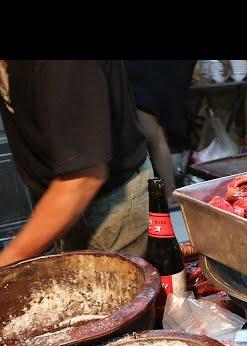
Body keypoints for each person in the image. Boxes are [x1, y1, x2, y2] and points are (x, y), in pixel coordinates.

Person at [0, 60, 152, 267]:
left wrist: (7, 261)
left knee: (109, 295)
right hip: (62, 199)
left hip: (111, 201)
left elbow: (82, 180)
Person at [124, 60, 197, 207]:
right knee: (157, 136)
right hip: (154, 77)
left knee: (155, 137)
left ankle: (170, 195)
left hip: (139, 79)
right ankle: (170, 194)